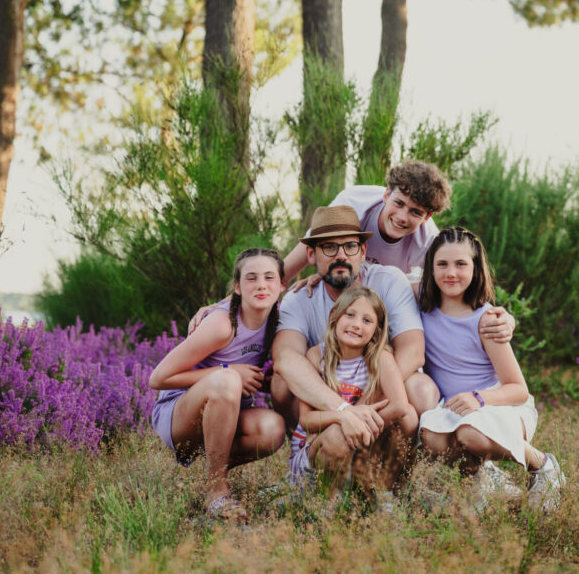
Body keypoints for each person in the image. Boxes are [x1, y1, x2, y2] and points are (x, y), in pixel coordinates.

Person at [416, 227, 564, 512]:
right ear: (430, 268)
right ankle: (480, 483)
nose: (451, 273)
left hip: (498, 403)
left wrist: (479, 398)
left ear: (476, 268)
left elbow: (518, 390)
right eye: (442, 264)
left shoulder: (486, 320)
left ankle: (543, 465)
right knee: (431, 438)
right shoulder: (421, 304)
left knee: (469, 434)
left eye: (461, 264)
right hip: (457, 407)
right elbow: (379, 284)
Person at [148, 248, 287, 519]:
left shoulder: (276, 320)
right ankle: (216, 490)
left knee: (273, 428)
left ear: (282, 285)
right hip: (179, 415)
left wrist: (263, 382)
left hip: (223, 416)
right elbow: (159, 378)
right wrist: (228, 370)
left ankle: (209, 476)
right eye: (251, 278)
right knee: (226, 381)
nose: (261, 284)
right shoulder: (223, 324)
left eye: (270, 278)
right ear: (237, 287)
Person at [271, 205, 434, 431]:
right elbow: (285, 357)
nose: (341, 256)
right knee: (281, 385)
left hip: (380, 388)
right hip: (329, 396)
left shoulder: (390, 281)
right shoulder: (299, 299)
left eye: (350, 246)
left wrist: (363, 400)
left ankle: (407, 460)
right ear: (311, 254)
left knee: (421, 388)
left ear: (363, 251)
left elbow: (413, 352)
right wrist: (342, 409)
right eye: (329, 247)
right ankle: (312, 451)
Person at [289, 287, 415, 503]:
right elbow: (307, 420)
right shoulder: (316, 355)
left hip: (361, 448)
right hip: (320, 450)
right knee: (339, 433)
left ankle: (384, 493)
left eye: (367, 320)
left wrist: (360, 427)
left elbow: (400, 406)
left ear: (376, 330)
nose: (357, 325)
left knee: (409, 417)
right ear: (334, 317)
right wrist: (343, 416)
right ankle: (327, 502)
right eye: (350, 315)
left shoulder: (380, 358)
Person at [282, 160, 451, 289]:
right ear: (386, 195)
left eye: (415, 212)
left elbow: (442, 288)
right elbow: (299, 257)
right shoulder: (352, 204)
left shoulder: (428, 241)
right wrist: (325, 274)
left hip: (386, 294)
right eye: (399, 203)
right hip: (345, 286)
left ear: (427, 217)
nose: (402, 218)